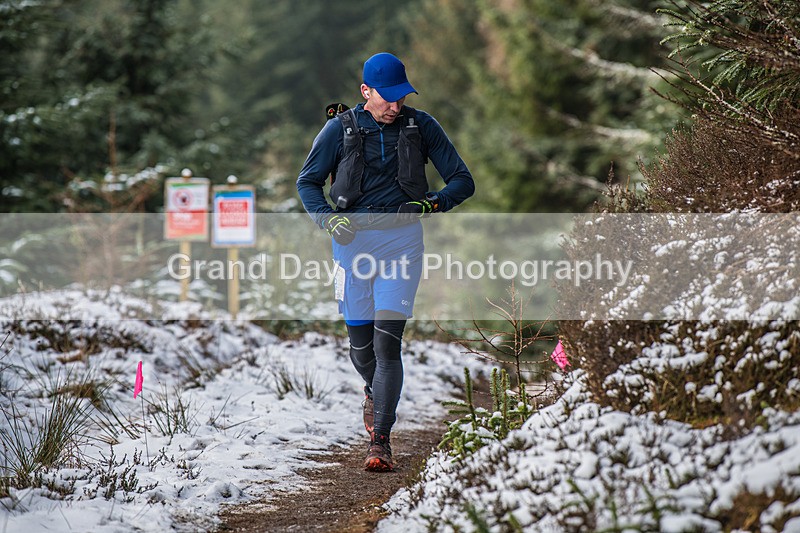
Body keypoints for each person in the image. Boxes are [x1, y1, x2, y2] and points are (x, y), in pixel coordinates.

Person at [296, 52, 474, 471]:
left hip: (402, 246)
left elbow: (462, 181)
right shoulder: (338, 130)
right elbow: (307, 182)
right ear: (366, 92)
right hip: (352, 247)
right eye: (387, 98)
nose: (396, 105)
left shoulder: (421, 125)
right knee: (361, 351)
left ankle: (380, 441)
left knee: (386, 345)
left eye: (402, 97)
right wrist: (327, 220)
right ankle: (373, 392)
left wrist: (433, 204)